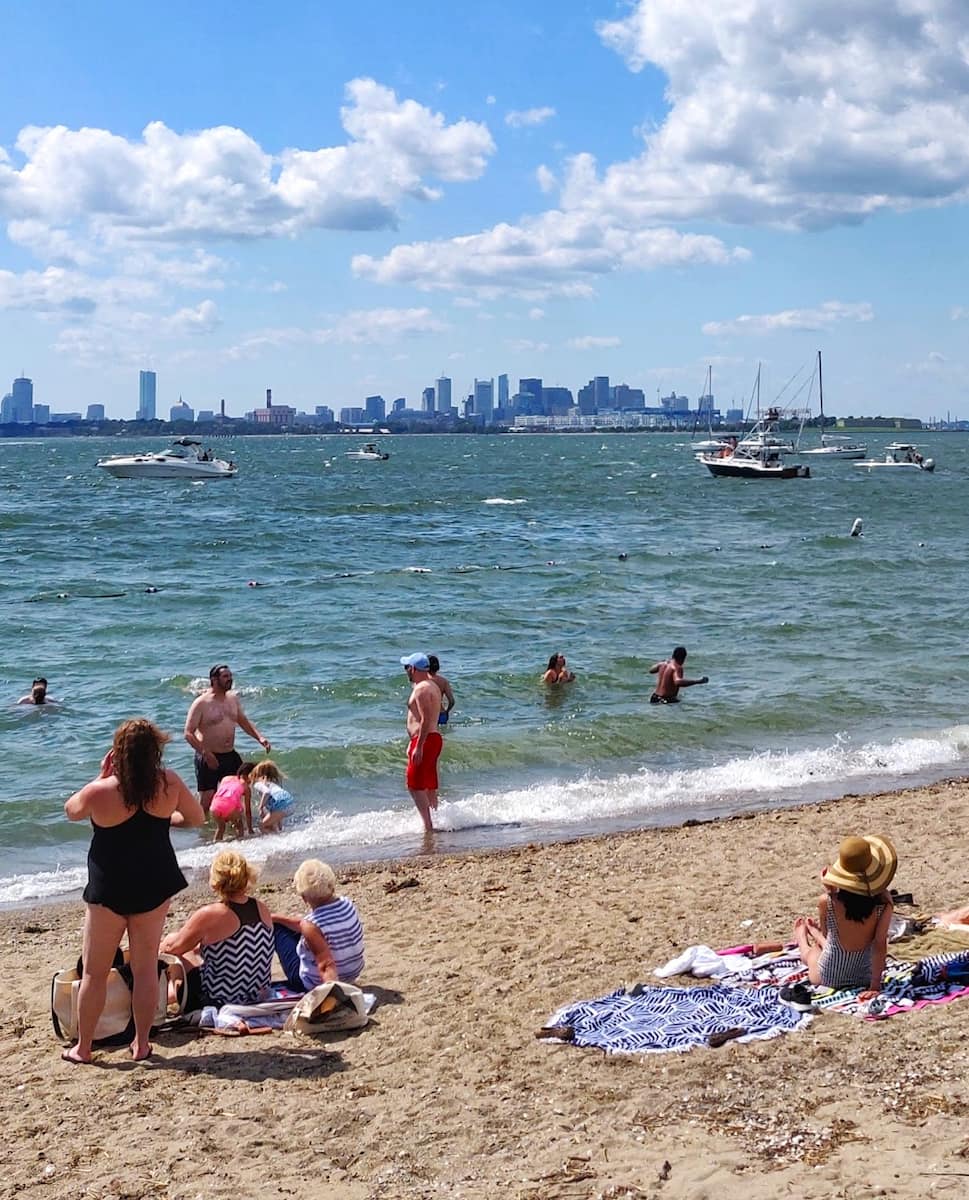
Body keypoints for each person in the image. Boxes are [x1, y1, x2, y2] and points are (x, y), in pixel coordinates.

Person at [62, 719, 204, 1063]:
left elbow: (71, 811)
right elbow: (197, 818)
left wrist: (99, 776)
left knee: (95, 973)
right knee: (144, 970)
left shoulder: (102, 790)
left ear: (118, 753)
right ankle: (141, 1044)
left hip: (109, 888)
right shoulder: (168, 783)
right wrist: (166, 820)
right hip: (153, 883)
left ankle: (83, 1048)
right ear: (155, 751)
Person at [160, 850, 274, 1012]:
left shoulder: (212, 914)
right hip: (257, 994)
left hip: (217, 1000)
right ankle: (166, 996)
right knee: (191, 950)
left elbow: (172, 949)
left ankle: (154, 997)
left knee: (171, 943)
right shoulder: (261, 908)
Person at [793, 834, 896, 1000]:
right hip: (865, 976)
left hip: (828, 977)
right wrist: (875, 986)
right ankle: (813, 934)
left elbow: (828, 936)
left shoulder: (827, 902)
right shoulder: (883, 907)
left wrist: (829, 890)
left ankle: (802, 940)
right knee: (831, 946)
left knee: (813, 953)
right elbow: (879, 944)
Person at [184, 664, 271, 816]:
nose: (230, 679)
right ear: (214, 679)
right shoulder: (201, 703)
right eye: (225, 677)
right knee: (207, 799)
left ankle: (237, 825)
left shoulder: (233, 699)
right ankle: (203, 833)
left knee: (239, 791)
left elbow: (243, 721)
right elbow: (188, 733)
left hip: (229, 755)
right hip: (208, 756)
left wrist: (260, 737)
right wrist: (206, 754)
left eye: (230, 676)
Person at [272, 859, 365, 990]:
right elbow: (308, 925)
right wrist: (275, 917)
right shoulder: (347, 904)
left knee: (277, 929)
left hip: (316, 982)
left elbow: (326, 965)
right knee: (289, 926)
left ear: (304, 898)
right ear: (332, 886)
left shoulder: (311, 925)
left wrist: (333, 993)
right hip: (351, 973)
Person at [401, 652, 443, 832]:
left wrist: (418, 746)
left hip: (424, 740)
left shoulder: (421, 689)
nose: (406, 671)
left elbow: (425, 719)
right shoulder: (432, 685)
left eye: (407, 668)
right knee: (428, 783)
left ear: (413, 669)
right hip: (431, 738)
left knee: (414, 785)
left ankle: (428, 826)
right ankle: (437, 819)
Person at [209, 761, 257, 841]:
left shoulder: (226, 778)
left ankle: (215, 846)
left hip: (214, 806)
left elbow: (226, 794)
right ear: (250, 776)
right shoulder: (246, 787)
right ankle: (238, 843)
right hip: (229, 807)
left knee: (221, 828)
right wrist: (250, 829)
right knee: (239, 825)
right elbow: (248, 811)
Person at [250, 760, 295, 833]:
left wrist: (261, 807)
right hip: (290, 803)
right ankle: (278, 836)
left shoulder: (259, 784)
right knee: (273, 824)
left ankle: (275, 841)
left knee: (262, 826)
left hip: (282, 804)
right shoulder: (274, 784)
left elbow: (266, 792)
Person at [427, 654, 455, 726]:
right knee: (442, 736)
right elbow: (451, 701)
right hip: (441, 714)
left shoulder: (424, 682)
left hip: (428, 714)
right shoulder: (444, 681)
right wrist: (447, 711)